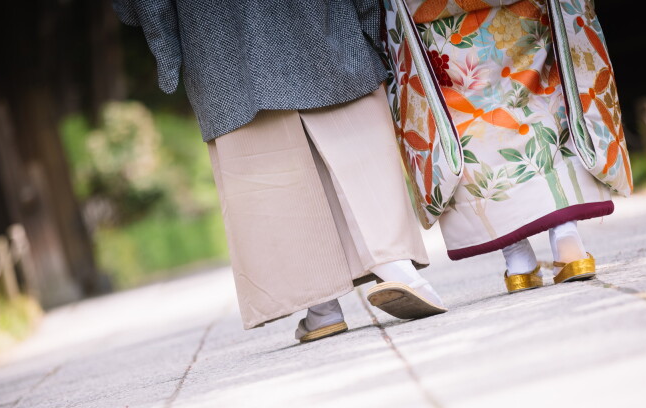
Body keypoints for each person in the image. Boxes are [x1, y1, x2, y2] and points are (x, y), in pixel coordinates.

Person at [112, 0, 447, 342]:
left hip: (221, 46)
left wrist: (167, 49)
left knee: (267, 168)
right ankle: (396, 267)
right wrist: (369, 21)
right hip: (319, 23)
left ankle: (322, 305)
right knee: (355, 138)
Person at [400, 0, 632, 292]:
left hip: (432, 12)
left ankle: (517, 258)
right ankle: (566, 238)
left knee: (465, 120)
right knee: (541, 94)